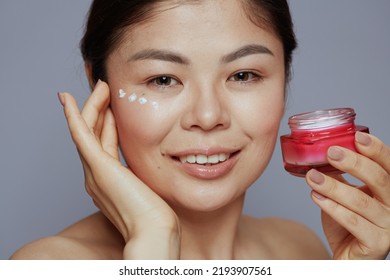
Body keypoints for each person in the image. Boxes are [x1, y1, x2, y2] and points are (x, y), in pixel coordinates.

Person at [11, 0, 390, 260]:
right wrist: (153, 247)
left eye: (243, 75)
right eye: (162, 79)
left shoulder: (300, 249)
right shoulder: (46, 266)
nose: (208, 116)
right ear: (100, 86)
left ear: (285, 78)